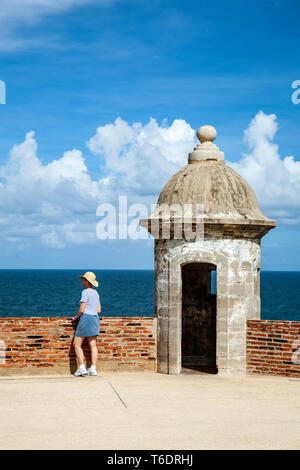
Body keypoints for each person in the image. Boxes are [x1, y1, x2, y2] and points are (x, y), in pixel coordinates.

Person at [73, 272, 101, 377]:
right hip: (95, 319)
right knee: (93, 345)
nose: (82, 281)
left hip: (86, 318)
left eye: (84, 279)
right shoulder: (96, 293)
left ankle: (81, 368)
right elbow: (98, 310)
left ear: (87, 281)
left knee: (77, 344)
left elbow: (81, 309)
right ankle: (93, 368)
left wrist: (75, 318)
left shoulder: (85, 292)